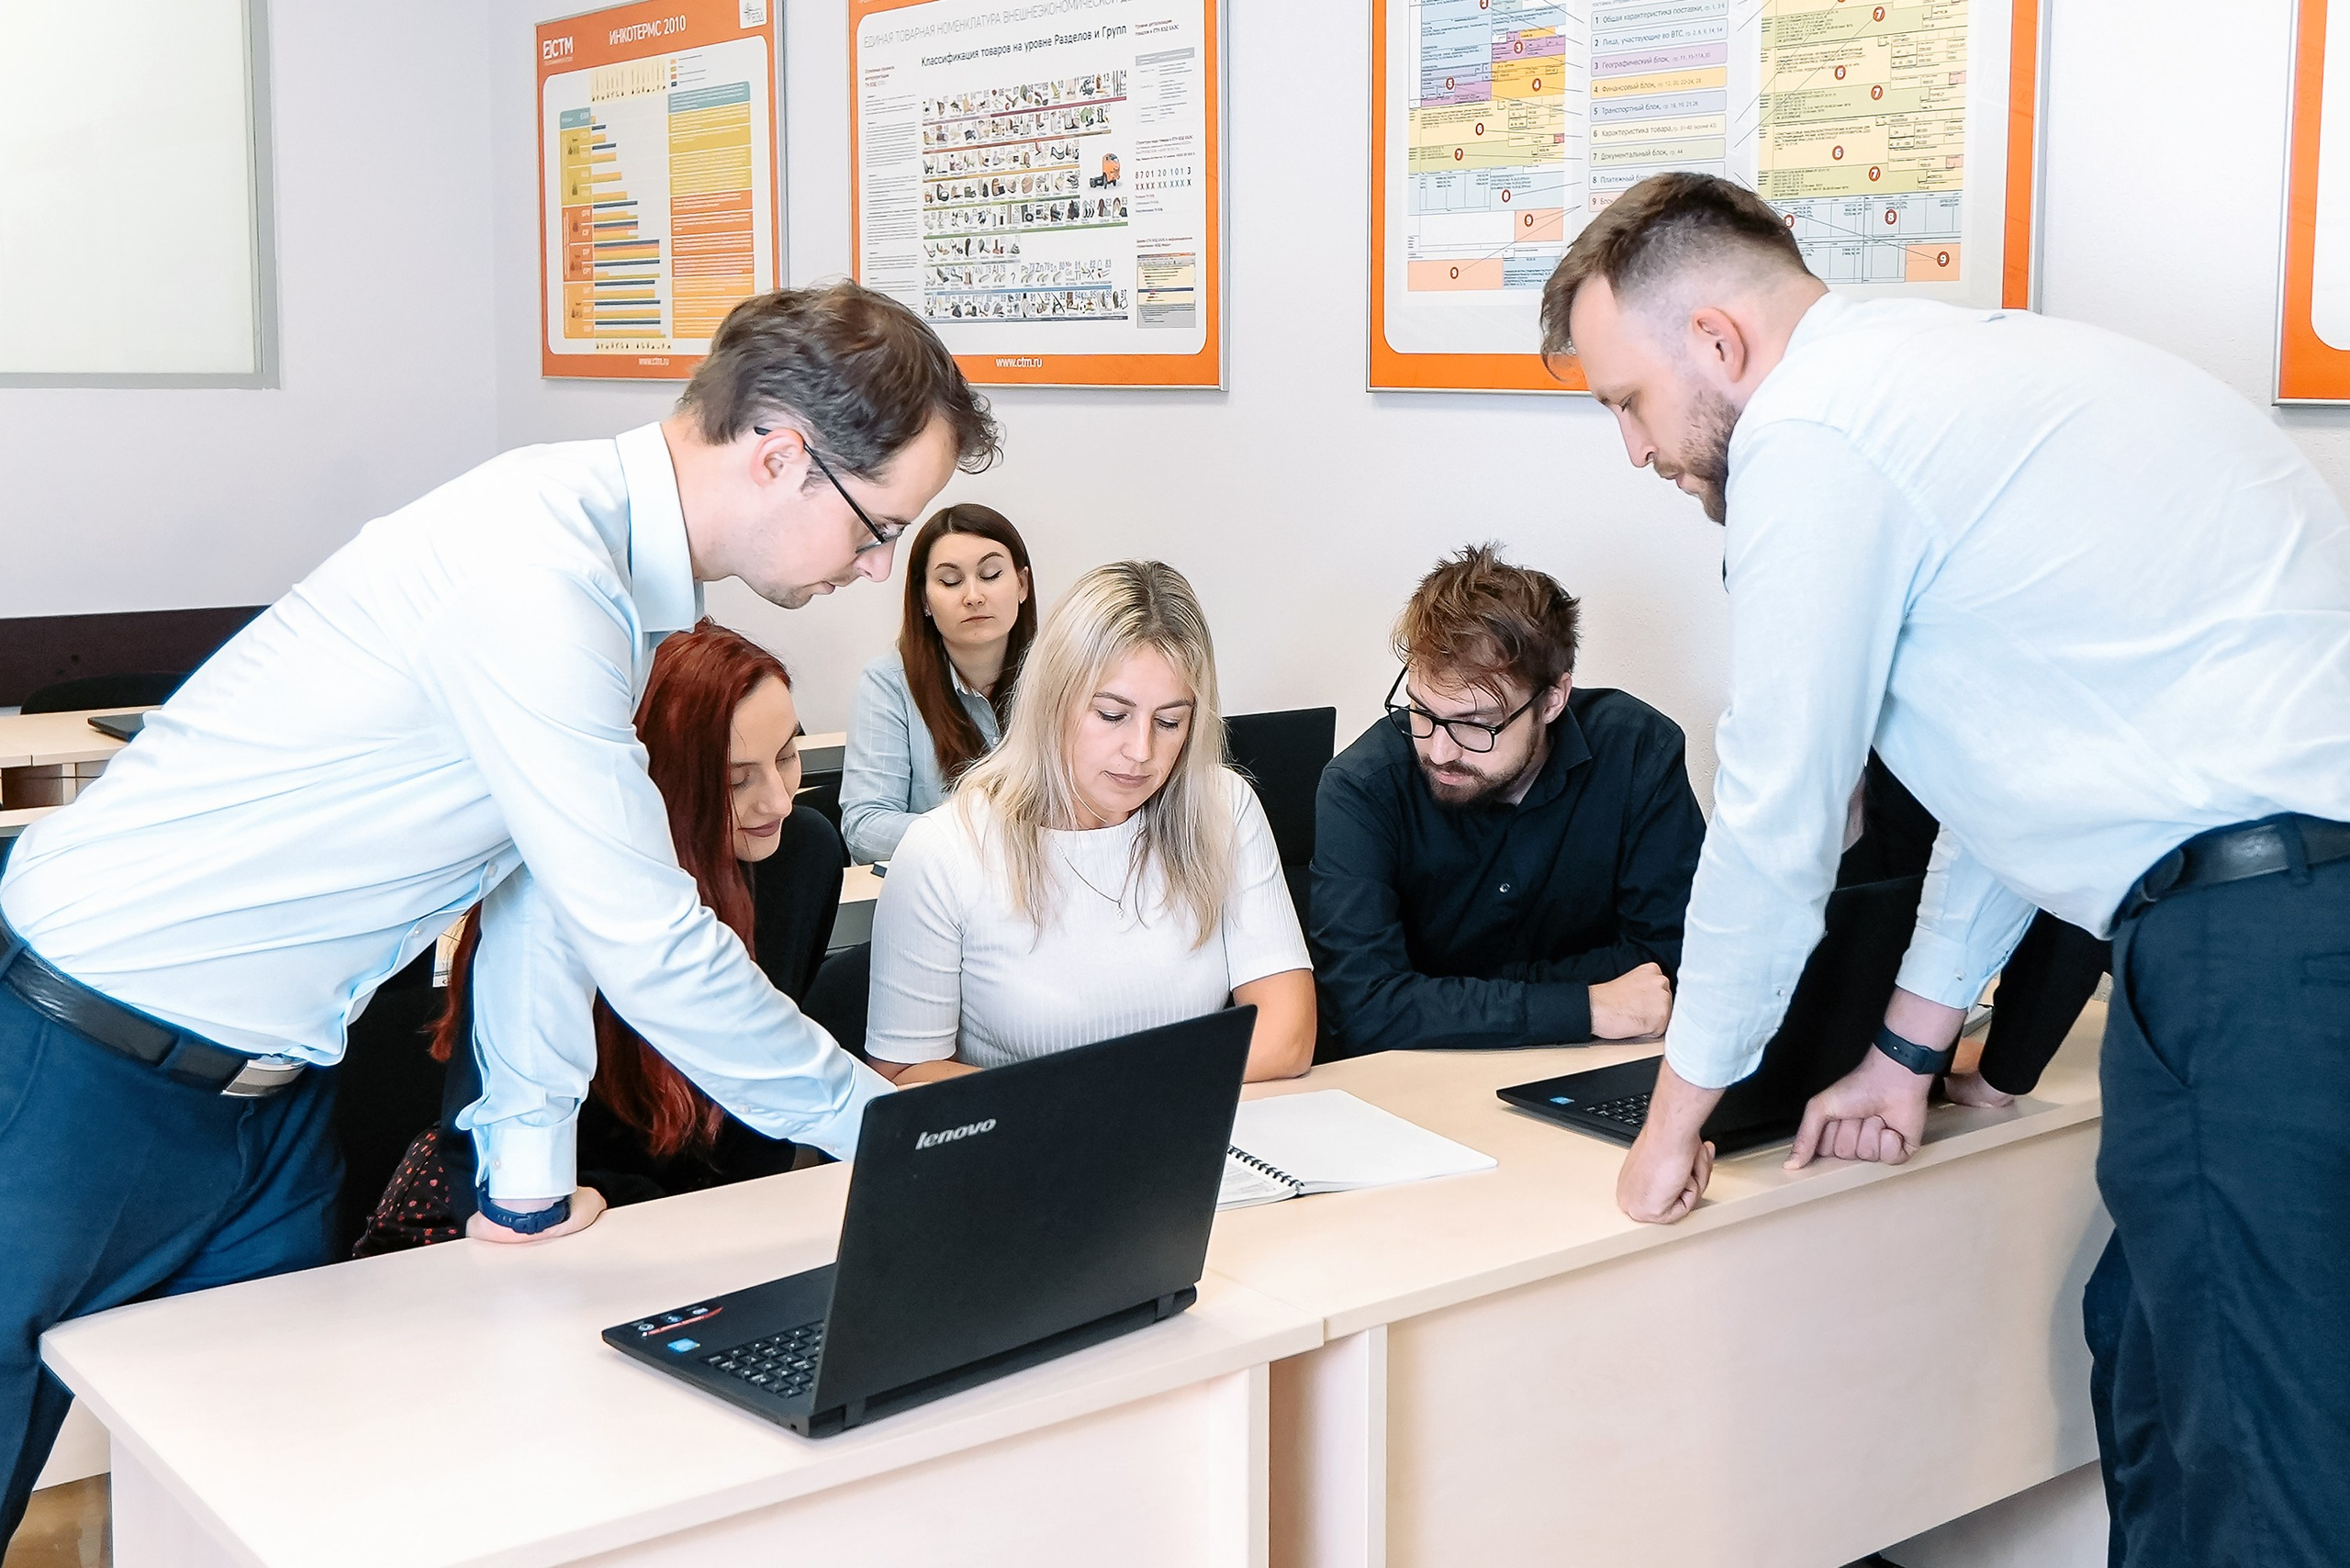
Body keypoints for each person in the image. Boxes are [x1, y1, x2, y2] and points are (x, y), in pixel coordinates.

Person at [0, 282, 998, 1542]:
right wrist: (894, 1137)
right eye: (879, 529)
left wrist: (526, 1175)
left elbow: (543, 896)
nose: (876, 566)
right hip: (70, 1065)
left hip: (272, 1102)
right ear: (782, 455)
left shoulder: (611, 592)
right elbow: (648, 940)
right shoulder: (536, 571)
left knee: (278, 1511)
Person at [1544, 172, 2350, 1568]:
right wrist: (1908, 1049)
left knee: (2259, 1457)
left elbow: (1777, 812)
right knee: (2154, 1356)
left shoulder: (1818, 436)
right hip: (2248, 927)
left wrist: (1677, 1113)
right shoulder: (1962, 375)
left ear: (1720, 346)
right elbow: (2021, 771)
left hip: (2261, 941)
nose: (1633, 450)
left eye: (1625, 399)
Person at [356, 621, 844, 1250]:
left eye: (786, 755)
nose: (777, 801)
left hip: (718, 1220)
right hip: (566, 1216)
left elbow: (758, 1081)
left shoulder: (801, 856)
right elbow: (498, 1143)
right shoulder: (562, 894)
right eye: (734, 779)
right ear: (655, 778)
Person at [865, 561, 1315, 1084]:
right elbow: (902, 1072)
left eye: (1170, 722)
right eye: (1111, 715)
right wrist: (1098, 1109)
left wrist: (1119, 1099)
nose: (1141, 752)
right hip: (1029, 1153)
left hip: (1197, 1142)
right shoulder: (945, 849)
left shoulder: (1222, 806)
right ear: (1053, 700)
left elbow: (1288, 1037)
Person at [1310, 544, 1702, 1057]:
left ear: (1553, 700)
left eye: (1475, 724)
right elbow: (1363, 1006)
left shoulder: (1636, 752)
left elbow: (1672, 962)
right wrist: (1588, 1005)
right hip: (1415, 1083)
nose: (1439, 749)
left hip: (1597, 1064)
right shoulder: (1362, 787)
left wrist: (1449, 997)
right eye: (1422, 711)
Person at [840, 504, 1035, 862]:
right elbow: (865, 828)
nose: (973, 596)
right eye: (950, 581)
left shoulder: (1061, 674)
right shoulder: (889, 683)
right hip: (943, 896)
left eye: (991, 574)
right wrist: (989, 836)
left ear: (1021, 585)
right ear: (925, 601)